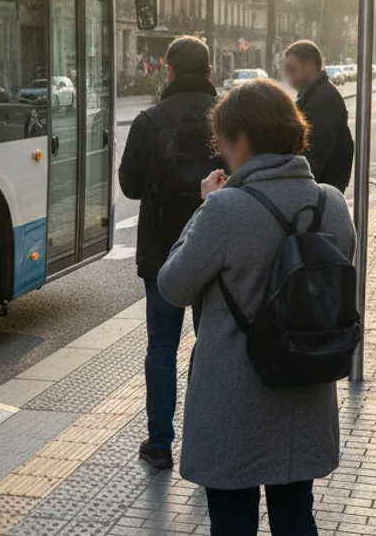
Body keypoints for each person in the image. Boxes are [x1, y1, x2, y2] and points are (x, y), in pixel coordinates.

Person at [158, 79, 355, 536]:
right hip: (305, 384)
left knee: (231, 523)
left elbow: (173, 285)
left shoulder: (226, 209)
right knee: (295, 516)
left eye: (222, 140)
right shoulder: (332, 202)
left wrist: (204, 207)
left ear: (241, 139)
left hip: (234, 393)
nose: (221, 151)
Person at [119, 35, 219, 469]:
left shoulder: (149, 121)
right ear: (211, 73)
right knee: (211, 343)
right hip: (216, 250)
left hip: (162, 253)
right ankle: (205, 434)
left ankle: (159, 443)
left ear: (169, 72)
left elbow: (130, 186)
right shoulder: (230, 117)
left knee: (161, 347)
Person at [283, 40, 354, 193]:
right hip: (321, 188)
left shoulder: (323, 99)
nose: (289, 77)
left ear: (310, 65)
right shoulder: (313, 95)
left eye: (292, 69)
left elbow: (315, 152)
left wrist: (299, 191)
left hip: (320, 190)